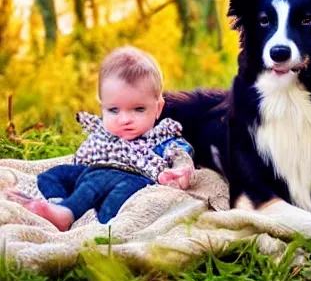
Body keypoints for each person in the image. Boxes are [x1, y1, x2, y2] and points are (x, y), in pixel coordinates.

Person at [6, 46, 195, 231]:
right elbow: (86, 158)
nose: (124, 120)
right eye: (113, 110)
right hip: (91, 172)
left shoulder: (160, 137)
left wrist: (180, 170)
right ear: (102, 108)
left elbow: (180, 154)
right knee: (54, 175)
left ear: (158, 108)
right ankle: (58, 204)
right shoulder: (104, 136)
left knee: (104, 196)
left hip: (133, 179)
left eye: (138, 109)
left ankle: (68, 214)